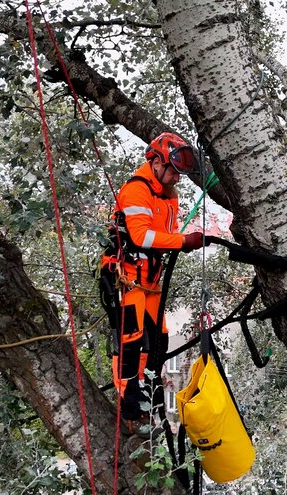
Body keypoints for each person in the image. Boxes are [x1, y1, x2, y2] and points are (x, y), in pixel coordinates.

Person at [99, 132, 205, 423]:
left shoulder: (169, 196)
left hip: (150, 279)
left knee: (159, 338)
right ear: (156, 162)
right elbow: (141, 235)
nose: (176, 178)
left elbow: (165, 237)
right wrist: (184, 242)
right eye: (173, 171)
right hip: (127, 275)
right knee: (130, 339)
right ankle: (130, 401)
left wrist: (185, 241)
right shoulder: (136, 190)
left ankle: (148, 386)